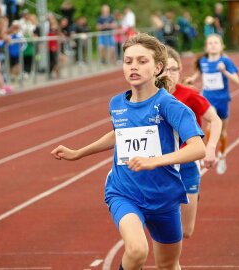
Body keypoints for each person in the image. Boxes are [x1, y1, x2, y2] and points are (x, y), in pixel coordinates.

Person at [51, 33, 206, 270]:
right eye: (128, 61)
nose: (133, 66)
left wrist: (154, 161)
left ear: (158, 67)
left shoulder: (171, 106)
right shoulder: (117, 103)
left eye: (142, 61)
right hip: (124, 192)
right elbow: (119, 135)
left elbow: (198, 148)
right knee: (136, 251)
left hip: (163, 196)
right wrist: (78, 152)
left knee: (168, 264)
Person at [164, 46, 222, 238]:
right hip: (161, 166)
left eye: (173, 69)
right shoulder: (150, 98)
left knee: (186, 231)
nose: (168, 74)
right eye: (164, 68)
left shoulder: (189, 95)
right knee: (164, 229)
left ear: (180, 71)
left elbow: (215, 120)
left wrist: (211, 148)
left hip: (188, 164)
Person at [185, 34, 239, 175]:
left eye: (216, 43)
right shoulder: (203, 61)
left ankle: (222, 156)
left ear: (222, 46)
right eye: (210, 43)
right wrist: (191, 79)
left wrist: (224, 71)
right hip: (209, 100)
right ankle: (210, 150)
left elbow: (237, 81)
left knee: (222, 132)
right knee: (210, 124)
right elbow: (197, 74)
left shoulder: (225, 61)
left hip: (223, 100)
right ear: (206, 47)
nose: (213, 45)